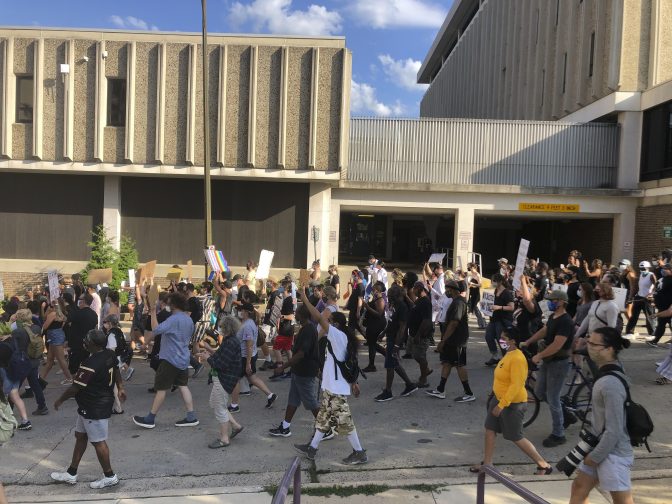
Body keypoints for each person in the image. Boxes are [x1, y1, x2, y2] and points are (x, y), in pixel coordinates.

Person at [294, 289, 368, 465]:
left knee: (345, 422)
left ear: (336, 324)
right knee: (323, 419)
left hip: (336, 389)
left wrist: (304, 299)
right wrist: (354, 382)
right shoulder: (340, 338)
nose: (327, 324)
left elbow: (319, 318)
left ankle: (359, 452)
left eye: (330, 322)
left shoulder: (337, 335)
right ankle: (312, 448)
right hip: (330, 386)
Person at [470, 327, 552, 476]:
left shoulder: (518, 358)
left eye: (503, 338)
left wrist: (502, 405)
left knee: (515, 436)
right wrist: (495, 394)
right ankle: (487, 464)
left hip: (512, 404)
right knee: (490, 430)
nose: (500, 340)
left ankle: (543, 464)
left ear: (513, 341)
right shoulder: (508, 354)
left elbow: (517, 385)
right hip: (498, 399)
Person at [50, 329, 125, 489]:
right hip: (89, 405)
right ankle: (71, 473)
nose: (84, 341)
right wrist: (121, 387)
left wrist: (60, 400)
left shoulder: (90, 364)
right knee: (80, 436)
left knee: (99, 442)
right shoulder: (109, 354)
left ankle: (110, 476)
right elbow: (116, 369)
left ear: (93, 344)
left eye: (86, 340)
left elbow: (75, 388)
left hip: (95, 407)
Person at [569, 327, 634, 504]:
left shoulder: (610, 383)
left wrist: (594, 457)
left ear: (609, 349)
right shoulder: (609, 370)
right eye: (588, 341)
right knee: (579, 487)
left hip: (613, 453)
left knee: (622, 501)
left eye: (593, 344)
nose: (588, 346)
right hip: (599, 446)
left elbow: (614, 429)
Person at [133, 293, 199, 429]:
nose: (167, 305)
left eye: (169, 303)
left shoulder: (173, 319)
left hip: (170, 358)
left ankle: (150, 418)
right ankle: (191, 416)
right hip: (183, 358)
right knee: (183, 386)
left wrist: (152, 313)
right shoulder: (188, 319)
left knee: (161, 389)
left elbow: (156, 329)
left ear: (173, 305)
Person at [269, 304, 334, 439]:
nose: (295, 315)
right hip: (298, 372)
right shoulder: (305, 328)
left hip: (305, 372)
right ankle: (285, 427)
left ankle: (326, 429)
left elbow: (301, 354)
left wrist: (283, 366)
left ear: (302, 315)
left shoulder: (308, 330)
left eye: (297, 313)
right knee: (293, 399)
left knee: (311, 402)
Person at [522, 290, 574, 447]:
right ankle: (566, 414)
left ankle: (559, 434)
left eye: (553, 300)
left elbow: (557, 345)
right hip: (549, 361)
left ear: (561, 302)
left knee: (552, 398)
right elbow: (544, 330)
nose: (550, 302)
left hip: (559, 363)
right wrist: (529, 341)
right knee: (539, 393)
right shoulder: (553, 317)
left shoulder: (565, 321)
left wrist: (539, 356)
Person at [197, 316, 244, 448]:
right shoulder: (230, 340)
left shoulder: (230, 342)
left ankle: (224, 439)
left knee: (220, 408)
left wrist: (208, 358)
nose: (220, 329)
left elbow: (221, 364)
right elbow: (221, 357)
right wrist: (209, 353)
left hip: (224, 379)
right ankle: (235, 426)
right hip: (224, 378)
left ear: (227, 328)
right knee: (216, 403)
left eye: (222, 327)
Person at [426, 280, 475, 402]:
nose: (445, 292)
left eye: (447, 290)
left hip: (457, 340)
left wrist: (443, 341)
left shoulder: (458, 303)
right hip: (452, 340)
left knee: (459, 365)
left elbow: (454, 323)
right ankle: (440, 389)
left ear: (452, 289)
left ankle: (469, 393)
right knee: (447, 362)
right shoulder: (456, 301)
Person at [228, 303, 277, 412]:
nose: (239, 312)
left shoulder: (248, 326)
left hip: (244, 357)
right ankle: (270, 395)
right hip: (247, 356)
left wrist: (248, 363)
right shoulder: (247, 323)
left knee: (235, 380)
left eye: (241, 310)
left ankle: (234, 405)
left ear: (246, 312)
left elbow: (249, 345)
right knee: (252, 378)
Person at [373, 285, 418, 401]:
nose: (389, 298)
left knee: (390, 366)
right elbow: (391, 322)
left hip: (395, 340)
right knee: (394, 363)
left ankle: (388, 392)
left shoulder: (402, 307)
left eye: (391, 296)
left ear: (398, 296)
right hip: (390, 337)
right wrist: (383, 333)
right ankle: (409, 385)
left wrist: (397, 345)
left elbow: (402, 328)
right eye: (388, 296)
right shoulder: (394, 305)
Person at [12, 309, 48, 416]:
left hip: (22, 362)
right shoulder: (36, 328)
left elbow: (13, 345)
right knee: (35, 384)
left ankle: (9, 410)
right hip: (33, 360)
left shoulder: (17, 331)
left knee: (14, 388)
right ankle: (42, 406)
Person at [484, 273, 514, 366]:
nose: (492, 282)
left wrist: (499, 307)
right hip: (493, 319)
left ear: (500, 282)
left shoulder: (506, 293)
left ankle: (507, 358)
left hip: (502, 320)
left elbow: (511, 307)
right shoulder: (495, 291)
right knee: (488, 337)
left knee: (501, 340)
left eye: (494, 281)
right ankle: (495, 356)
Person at [41, 298, 73, 385]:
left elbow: (44, 326)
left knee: (60, 359)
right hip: (57, 335)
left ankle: (69, 378)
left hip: (54, 336)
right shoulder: (60, 314)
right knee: (50, 359)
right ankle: (41, 379)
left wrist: (47, 312)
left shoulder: (53, 314)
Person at [67, 293, 99, 377]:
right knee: (86, 366)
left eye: (80, 299)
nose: (78, 301)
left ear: (83, 301)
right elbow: (95, 328)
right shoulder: (94, 314)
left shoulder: (77, 313)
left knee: (73, 368)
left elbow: (66, 320)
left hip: (76, 345)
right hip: (88, 345)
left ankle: (77, 384)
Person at [624, 261, 657, 339]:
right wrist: (631, 297)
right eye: (641, 268)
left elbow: (656, 286)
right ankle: (630, 333)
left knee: (649, 316)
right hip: (639, 297)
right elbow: (638, 287)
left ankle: (653, 334)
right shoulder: (641, 275)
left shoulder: (651, 275)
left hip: (647, 299)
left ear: (648, 268)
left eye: (644, 268)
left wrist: (651, 294)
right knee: (634, 316)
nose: (642, 269)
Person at [361, 282, 387, 373]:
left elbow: (379, 314)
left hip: (377, 323)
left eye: (374, 288)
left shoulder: (380, 299)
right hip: (373, 323)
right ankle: (371, 364)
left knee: (372, 343)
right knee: (371, 344)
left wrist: (367, 307)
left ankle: (386, 355)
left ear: (378, 289)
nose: (372, 289)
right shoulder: (376, 298)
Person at [648, 263, 672, 347]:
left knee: (663, 323)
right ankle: (655, 340)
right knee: (662, 323)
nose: (663, 270)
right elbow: (657, 289)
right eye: (663, 269)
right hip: (662, 306)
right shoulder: (662, 279)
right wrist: (653, 296)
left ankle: (655, 340)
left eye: (666, 269)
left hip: (668, 307)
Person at [467, 263, 486, 329]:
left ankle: (483, 324)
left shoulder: (477, 275)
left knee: (477, 308)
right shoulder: (471, 274)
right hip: (472, 293)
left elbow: (480, 285)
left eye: (470, 267)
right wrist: (470, 285)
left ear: (473, 268)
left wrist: (473, 284)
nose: (469, 269)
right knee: (474, 308)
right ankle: (481, 324)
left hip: (476, 294)